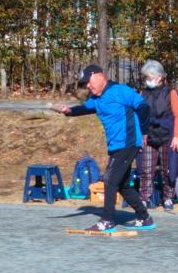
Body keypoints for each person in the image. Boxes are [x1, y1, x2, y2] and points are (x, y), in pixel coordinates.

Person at [52, 64, 153, 232]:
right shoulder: (96, 99)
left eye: (89, 82)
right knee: (122, 185)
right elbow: (84, 108)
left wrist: (144, 132)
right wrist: (68, 110)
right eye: (85, 84)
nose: (88, 86)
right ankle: (145, 218)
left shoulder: (121, 91)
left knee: (109, 180)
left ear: (99, 76)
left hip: (127, 143)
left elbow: (144, 107)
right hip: (115, 145)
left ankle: (107, 220)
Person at [137, 59, 178, 211]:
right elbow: (139, 116)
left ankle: (168, 198)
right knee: (146, 169)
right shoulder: (142, 93)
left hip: (167, 135)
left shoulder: (171, 93)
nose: (147, 80)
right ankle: (144, 198)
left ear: (159, 77)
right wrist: (141, 134)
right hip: (148, 135)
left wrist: (177, 136)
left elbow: (177, 116)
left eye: (150, 77)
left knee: (168, 169)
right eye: (146, 77)